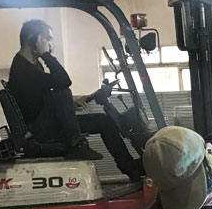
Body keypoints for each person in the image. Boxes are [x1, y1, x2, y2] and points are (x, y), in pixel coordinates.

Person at [8, 19, 143, 180]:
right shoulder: (22, 69)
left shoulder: (33, 65)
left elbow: (40, 99)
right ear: (34, 38)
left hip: (45, 123)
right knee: (64, 91)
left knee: (104, 121)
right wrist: (46, 55)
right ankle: (76, 144)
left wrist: (70, 105)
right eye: (47, 39)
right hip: (37, 130)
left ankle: (131, 169)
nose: (50, 44)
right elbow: (64, 81)